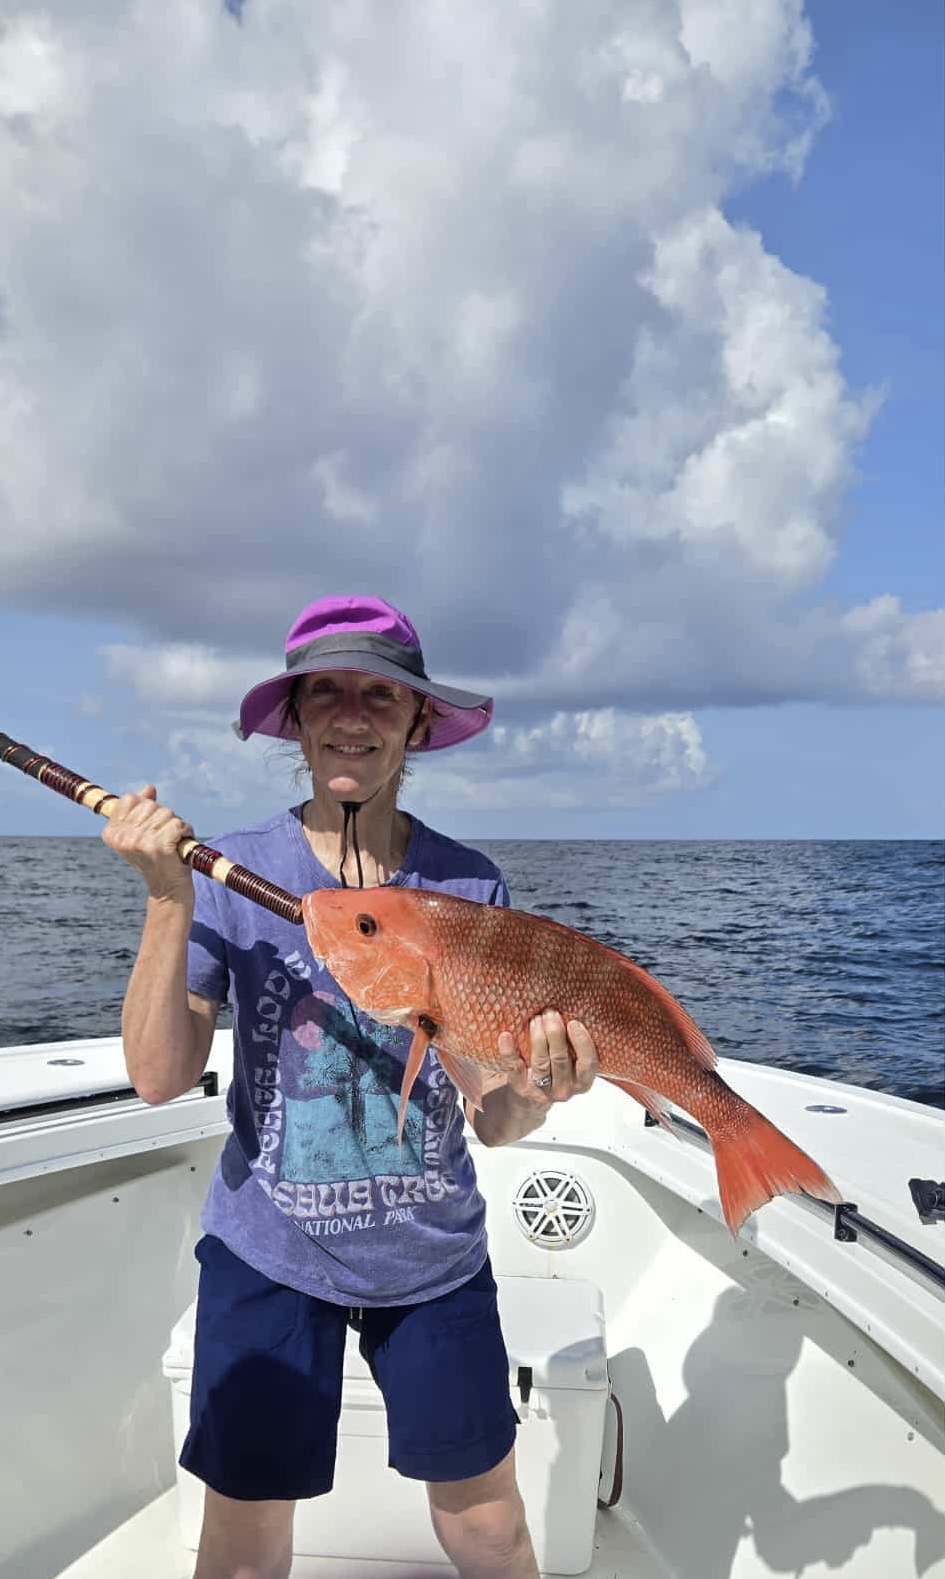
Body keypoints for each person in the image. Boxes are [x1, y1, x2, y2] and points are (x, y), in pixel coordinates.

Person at [104, 594, 599, 1579]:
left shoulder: (469, 885)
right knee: (242, 1543)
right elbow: (157, 1076)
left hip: (432, 1256)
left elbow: (495, 1120)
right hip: (268, 1249)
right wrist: (167, 899)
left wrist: (542, 1086)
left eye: (380, 694)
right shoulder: (231, 870)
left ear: (417, 719)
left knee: (490, 1527)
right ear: (294, 718)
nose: (351, 714)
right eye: (325, 691)